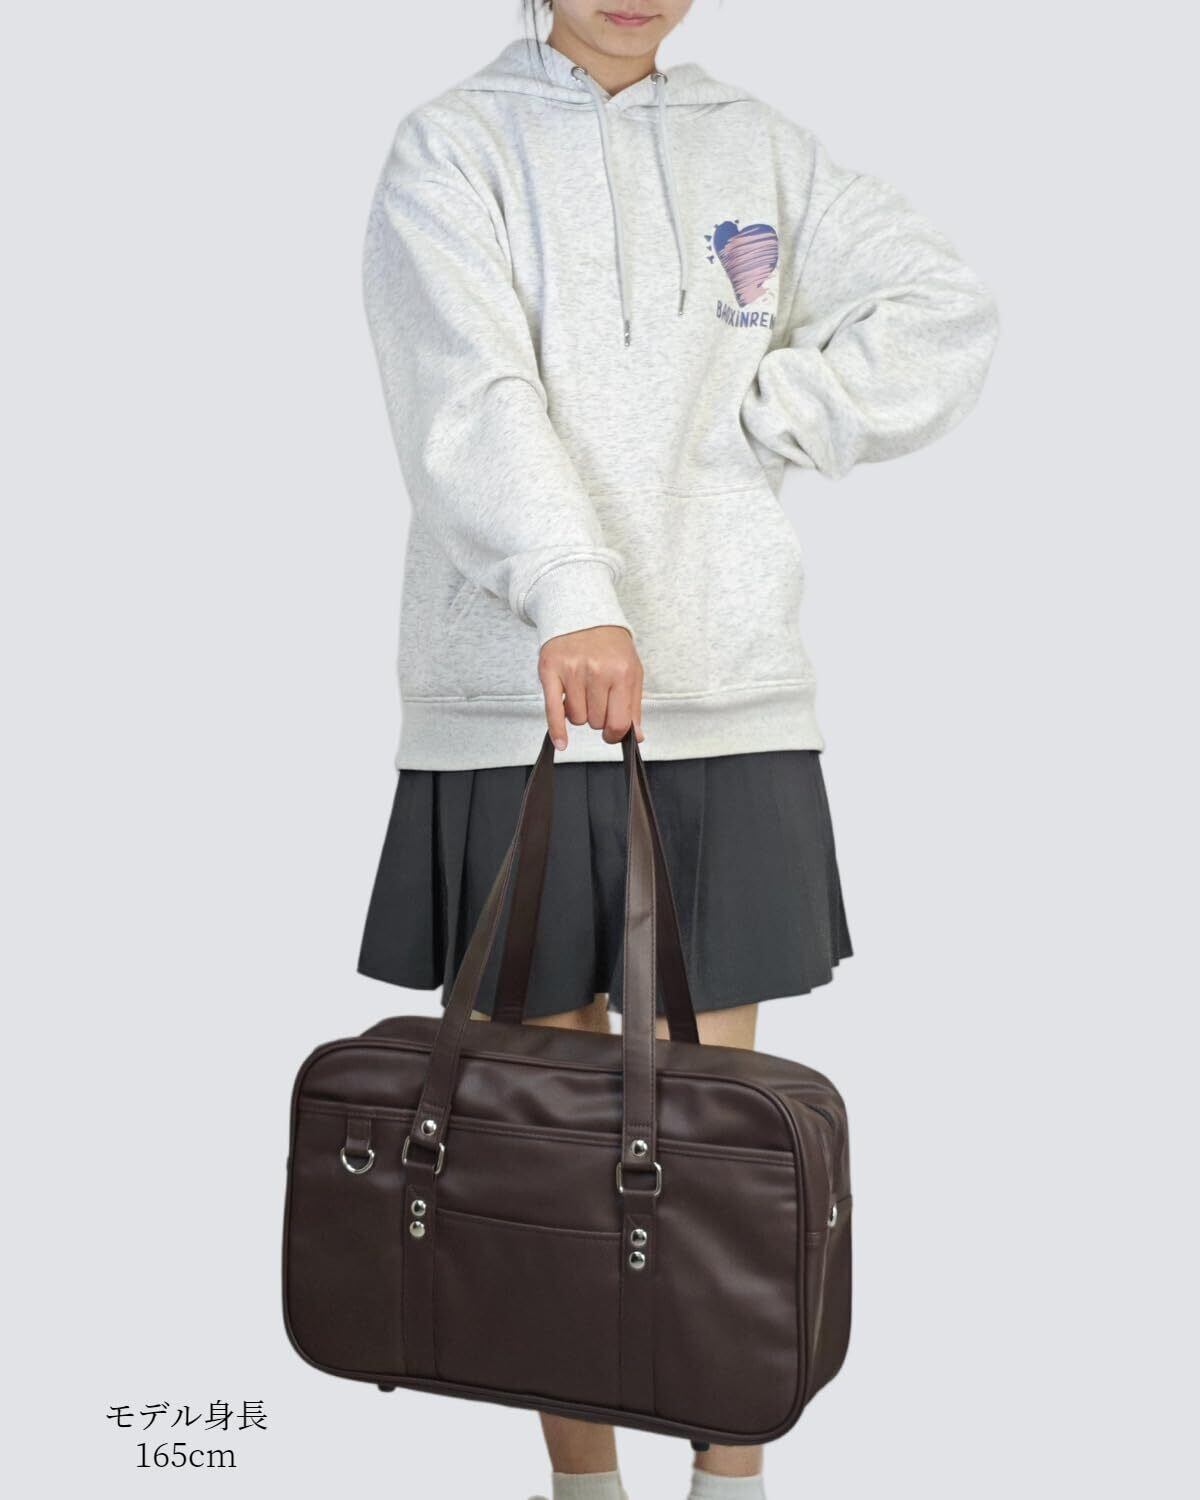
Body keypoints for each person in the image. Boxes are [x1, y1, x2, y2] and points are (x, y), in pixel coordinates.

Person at [357, 3, 1000, 1498]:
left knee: (708, 1136)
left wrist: (772, 413)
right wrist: (574, 595)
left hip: (729, 689)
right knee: (536, 1148)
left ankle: (730, 1479)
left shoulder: (755, 144)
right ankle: (585, 1485)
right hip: (518, 697)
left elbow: (944, 304)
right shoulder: (454, 145)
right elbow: (466, 399)